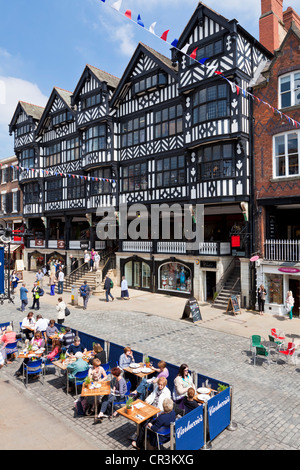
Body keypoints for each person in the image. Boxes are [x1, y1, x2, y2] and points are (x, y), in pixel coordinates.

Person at [132, 377, 171, 450]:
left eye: (161, 385)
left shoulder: (167, 392)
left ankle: (139, 444)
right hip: (151, 408)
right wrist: (146, 401)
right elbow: (152, 396)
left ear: (164, 385)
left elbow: (166, 405)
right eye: (159, 384)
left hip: (158, 412)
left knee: (144, 424)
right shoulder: (156, 388)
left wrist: (157, 411)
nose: (159, 386)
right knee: (140, 418)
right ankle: (140, 438)